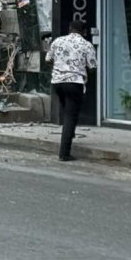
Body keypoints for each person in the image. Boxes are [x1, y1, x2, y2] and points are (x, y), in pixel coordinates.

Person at [45, 21, 97, 161]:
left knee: (66, 109)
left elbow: (48, 59)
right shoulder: (87, 45)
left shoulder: (58, 41)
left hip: (57, 82)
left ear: (69, 29)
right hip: (75, 83)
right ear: (84, 32)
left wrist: (58, 68)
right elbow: (92, 66)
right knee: (70, 115)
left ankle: (69, 132)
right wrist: (83, 72)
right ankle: (64, 153)